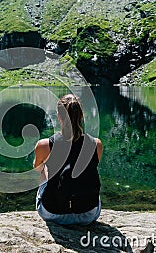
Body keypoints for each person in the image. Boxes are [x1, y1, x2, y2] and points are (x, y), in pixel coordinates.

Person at [33, 94, 103, 225]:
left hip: (53, 213)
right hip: (88, 213)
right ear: (82, 116)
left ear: (59, 117)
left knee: (44, 168)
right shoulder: (96, 144)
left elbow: (37, 168)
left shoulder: (44, 145)